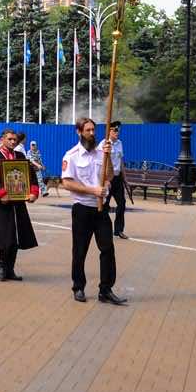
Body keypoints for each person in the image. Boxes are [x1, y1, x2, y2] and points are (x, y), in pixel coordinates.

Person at [61, 117, 125, 304]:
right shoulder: (71, 155)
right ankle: (78, 287)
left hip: (101, 210)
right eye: (87, 130)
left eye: (93, 130)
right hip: (82, 209)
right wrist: (92, 190)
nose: (91, 133)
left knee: (107, 249)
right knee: (80, 251)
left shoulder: (101, 153)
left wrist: (108, 157)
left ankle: (105, 290)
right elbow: (67, 183)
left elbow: (110, 175)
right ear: (79, 132)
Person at [0, 128, 39, 282]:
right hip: (4, 203)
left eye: (15, 139)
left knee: (16, 237)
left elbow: (31, 176)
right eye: (9, 139)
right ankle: (1, 267)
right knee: (5, 236)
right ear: (2, 139)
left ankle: (10, 269)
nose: (13, 142)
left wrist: (33, 192)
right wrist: (1, 194)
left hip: (19, 202)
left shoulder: (20, 156)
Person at [103, 121, 128, 239]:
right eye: (115, 130)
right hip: (107, 179)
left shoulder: (119, 143)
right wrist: (104, 179)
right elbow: (100, 163)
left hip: (117, 179)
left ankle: (118, 230)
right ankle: (104, 229)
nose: (117, 132)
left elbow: (121, 161)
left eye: (118, 130)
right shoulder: (104, 144)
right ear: (109, 131)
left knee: (122, 204)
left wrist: (125, 178)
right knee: (105, 205)